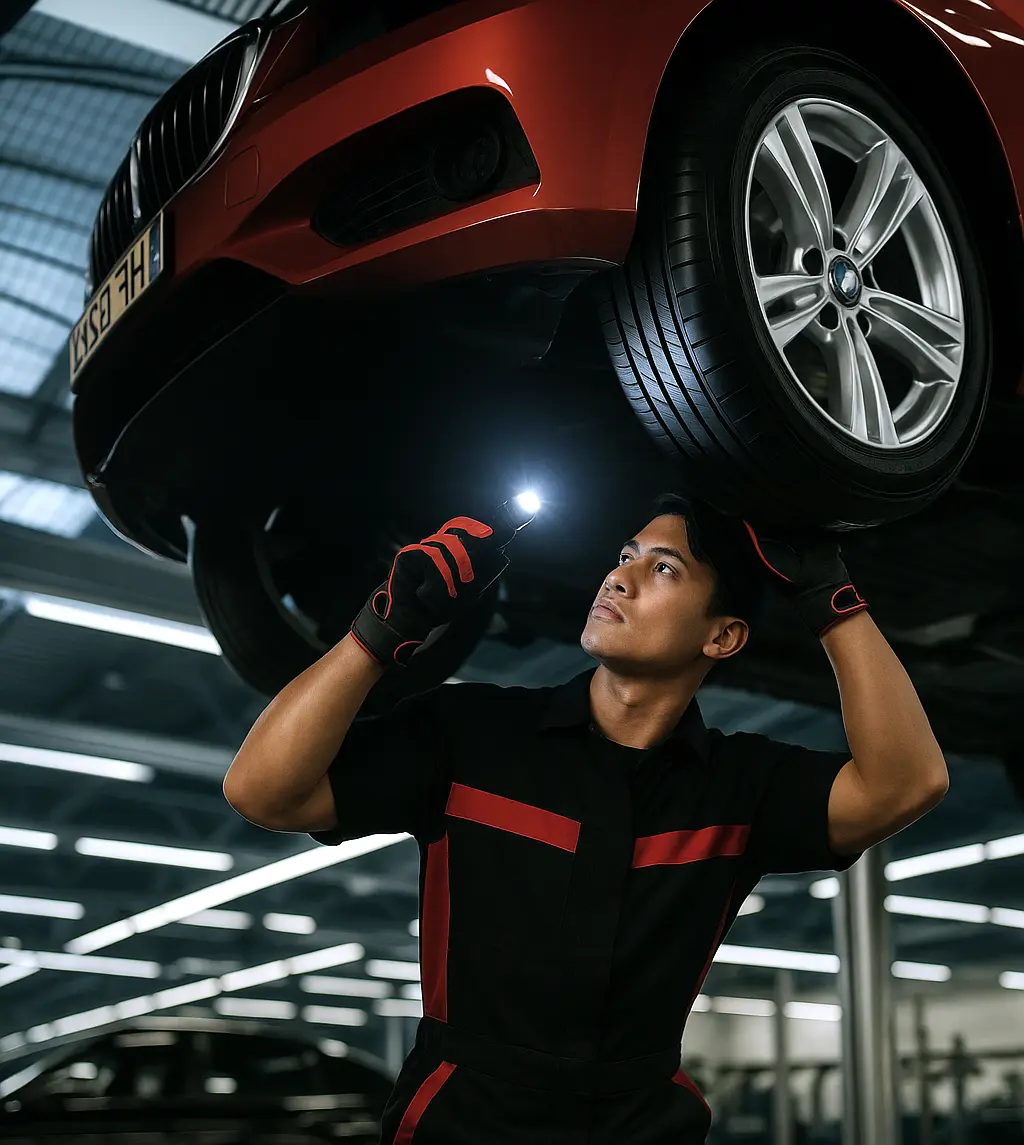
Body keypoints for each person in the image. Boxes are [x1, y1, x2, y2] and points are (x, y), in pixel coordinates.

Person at [223, 493, 948, 1145]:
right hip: (461, 1121)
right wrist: (381, 630)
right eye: (624, 555)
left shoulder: (739, 787)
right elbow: (263, 791)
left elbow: (906, 783)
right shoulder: (473, 734)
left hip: (643, 1125)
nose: (619, 577)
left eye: (664, 569)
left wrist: (833, 600)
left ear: (722, 637)